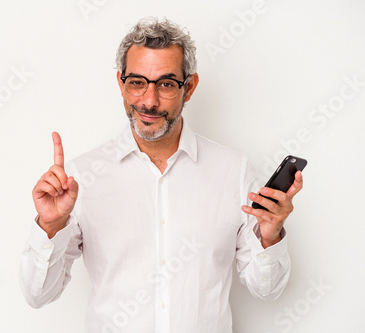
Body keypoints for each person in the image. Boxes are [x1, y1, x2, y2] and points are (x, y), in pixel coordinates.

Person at [19, 17, 303, 333]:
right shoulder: (80, 178)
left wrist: (270, 235)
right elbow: (38, 295)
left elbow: (268, 290)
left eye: (166, 84)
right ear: (121, 84)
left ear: (190, 87)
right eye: (137, 82)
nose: (149, 101)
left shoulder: (233, 172)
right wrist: (50, 225)